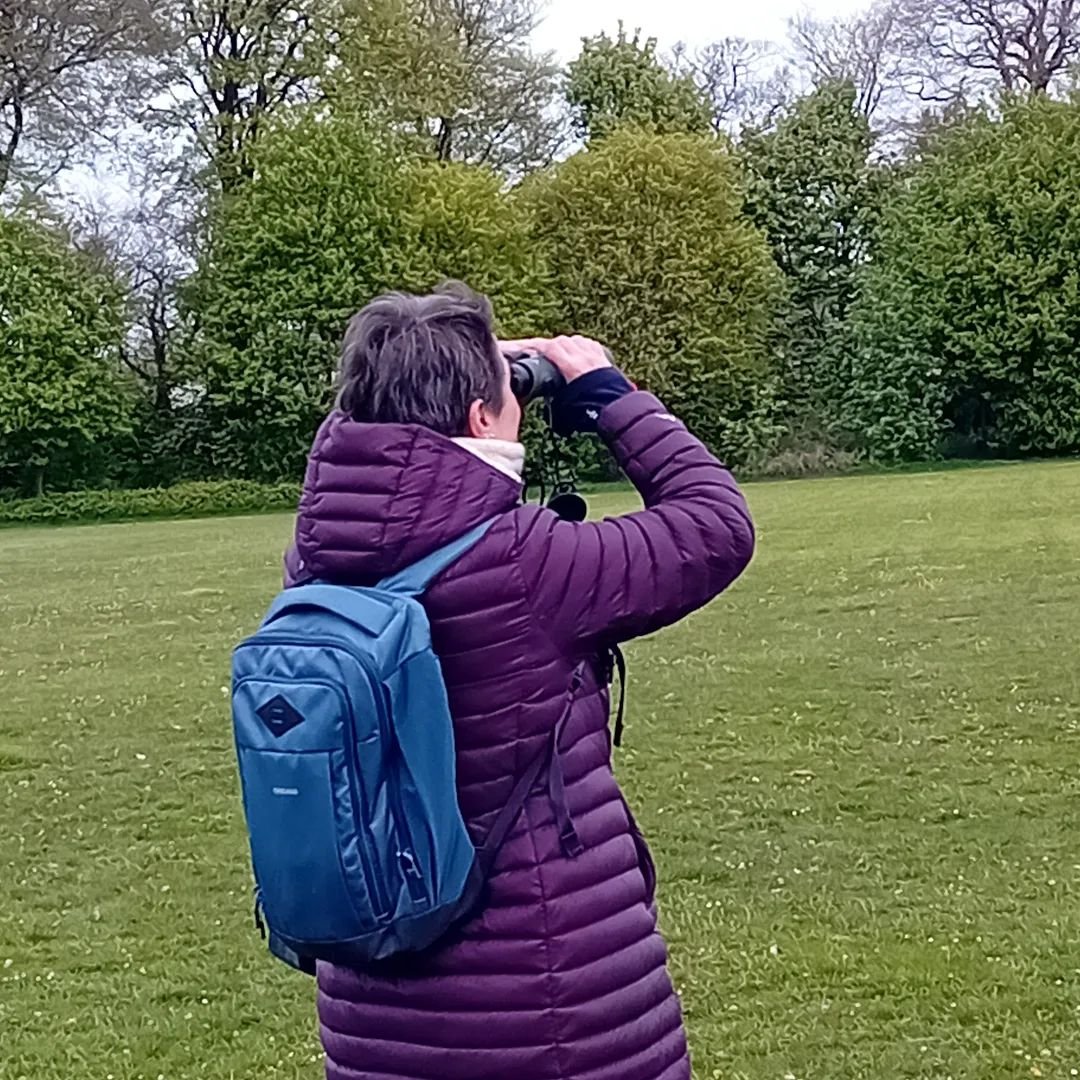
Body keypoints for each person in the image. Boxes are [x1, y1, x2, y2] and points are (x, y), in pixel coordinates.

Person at [283, 281, 755, 1080]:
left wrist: (422, 367)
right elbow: (714, 525)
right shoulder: (523, 563)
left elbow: (381, 457)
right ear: (478, 419)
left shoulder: (318, 555)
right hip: (551, 1000)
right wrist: (608, 394)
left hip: (376, 997)